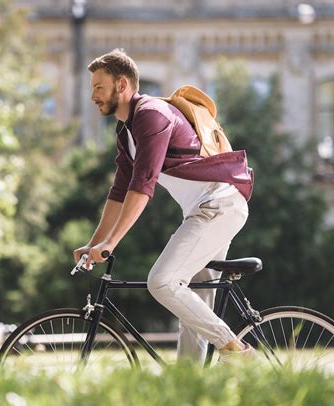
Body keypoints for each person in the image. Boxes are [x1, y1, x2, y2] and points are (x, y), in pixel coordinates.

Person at [73, 49, 255, 364]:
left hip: (218, 205)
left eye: (99, 87)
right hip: (208, 210)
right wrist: (95, 243)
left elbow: (143, 183)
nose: (93, 95)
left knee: (162, 282)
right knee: (192, 308)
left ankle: (237, 351)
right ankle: (188, 389)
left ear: (121, 86)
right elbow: (119, 192)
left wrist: (111, 243)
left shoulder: (151, 114)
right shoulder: (126, 130)